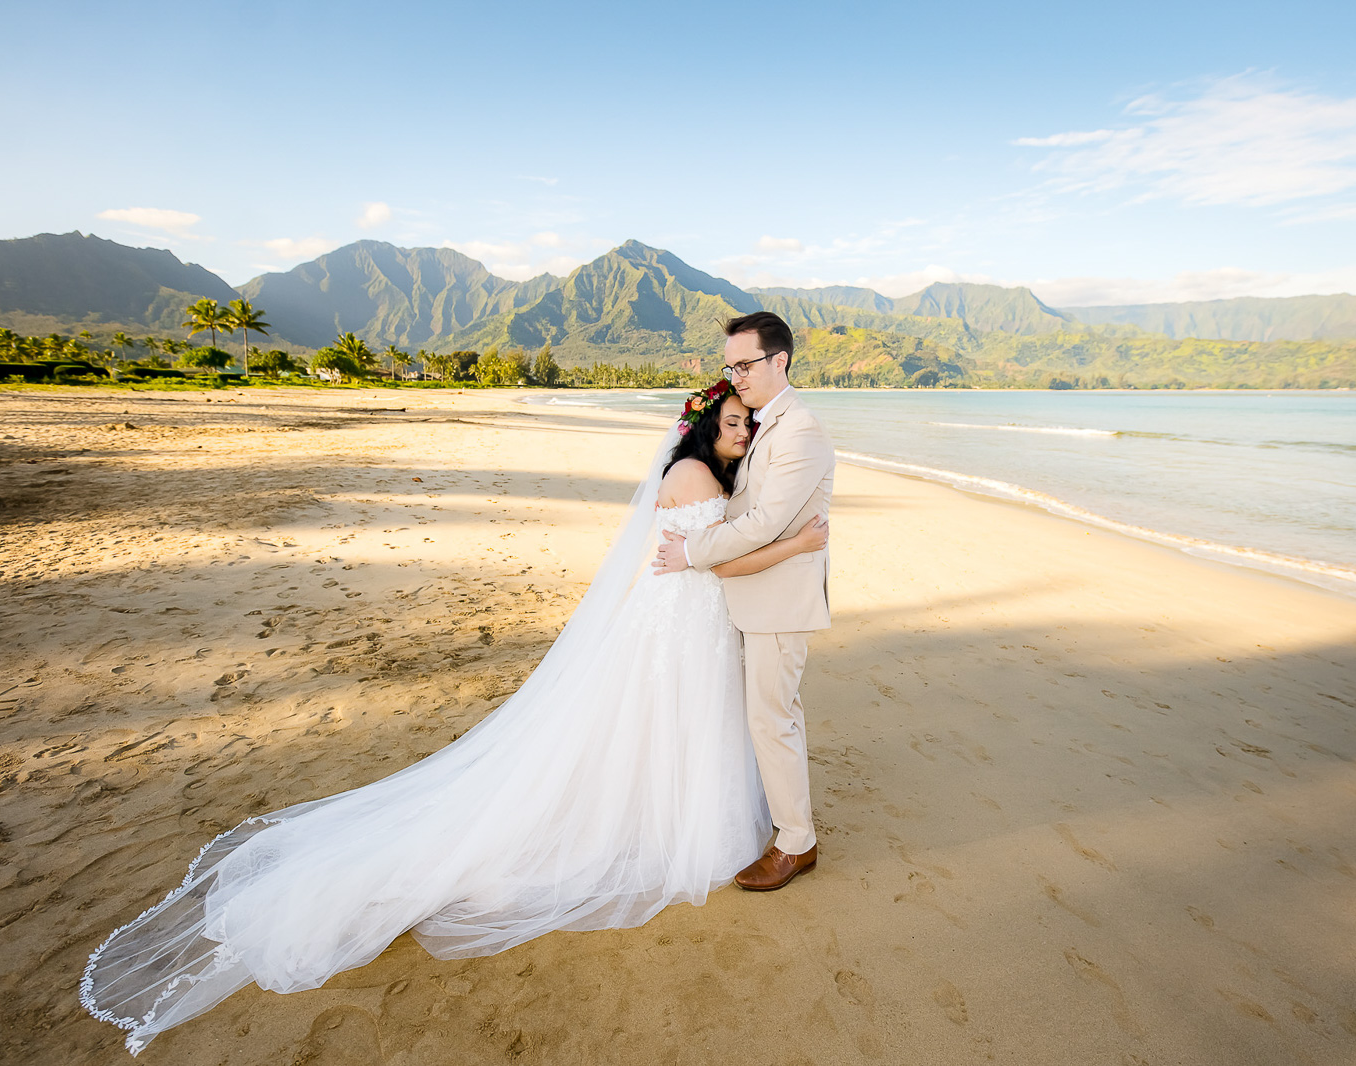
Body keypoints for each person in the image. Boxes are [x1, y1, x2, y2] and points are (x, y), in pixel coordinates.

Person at [81, 380, 827, 1055]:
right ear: (701, 429)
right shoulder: (694, 474)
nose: (741, 433)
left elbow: (709, 549)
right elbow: (719, 557)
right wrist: (797, 541)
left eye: (747, 423)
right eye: (730, 422)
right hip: (679, 620)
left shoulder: (705, 472)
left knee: (668, 723)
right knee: (656, 722)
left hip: (684, 620)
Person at [654, 311, 835, 891]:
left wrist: (694, 551)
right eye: (730, 365)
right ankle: (793, 828)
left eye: (747, 364)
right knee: (776, 716)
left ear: (779, 360)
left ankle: (794, 846)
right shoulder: (766, 424)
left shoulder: (799, 430)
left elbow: (763, 522)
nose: (738, 375)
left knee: (770, 719)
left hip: (779, 603)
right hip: (756, 598)